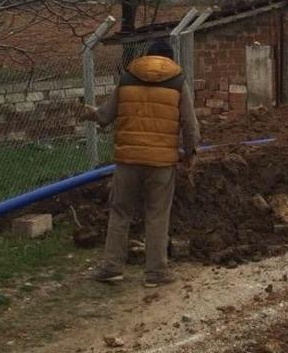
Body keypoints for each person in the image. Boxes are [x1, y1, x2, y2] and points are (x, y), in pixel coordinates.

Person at [81, 39, 200, 285]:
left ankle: (111, 267)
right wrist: (190, 154)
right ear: (170, 59)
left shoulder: (127, 78)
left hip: (127, 161)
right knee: (157, 215)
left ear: (147, 56)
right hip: (161, 163)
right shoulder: (177, 82)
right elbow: (190, 126)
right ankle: (156, 274)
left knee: (120, 212)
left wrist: (89, 112)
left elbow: (105, 116)